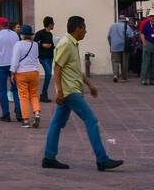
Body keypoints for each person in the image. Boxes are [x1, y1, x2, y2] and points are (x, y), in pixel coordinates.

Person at [42, 16, 123, 171]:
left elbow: (74, 69)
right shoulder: (66, 44)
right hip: (70, 92)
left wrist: (89, 84)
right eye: (84, 28)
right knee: (91, 120)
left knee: (56, 124)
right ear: (77, 28)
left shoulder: (72, 44)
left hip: (71, 90)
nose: (86, 31)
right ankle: (102, 159)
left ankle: (49, 157)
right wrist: (59, 91)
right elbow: (57, 68)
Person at [9, 25, 42, 128]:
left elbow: (15, 60)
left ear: (22, 35)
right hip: (34, 72)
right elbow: (36, 57)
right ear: (31, 35)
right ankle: (36, 113)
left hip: (21, 73)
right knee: (34, 94)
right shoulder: (35, 45)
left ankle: (26, 120)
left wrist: (12, 72)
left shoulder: (18, 45)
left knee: (23, 96)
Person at [0, 16, 20, 122]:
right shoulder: (14, 34)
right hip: (13, 65)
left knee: (2, 89)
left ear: (1, 25)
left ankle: (6, 114)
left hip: (1, 64)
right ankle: (19, 112)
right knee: (16, 89)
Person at [35, 17, 56, 102]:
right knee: (48, 74)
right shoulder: (40, 33)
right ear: (49, 24)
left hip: (50, 57)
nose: (54, 25)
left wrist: (53, 46)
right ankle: (43, 94)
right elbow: (34, 43)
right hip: (43, 57)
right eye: (53, 24)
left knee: (49, 75)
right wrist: (42, 45)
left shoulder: (50, 34)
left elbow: (51, 44)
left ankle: (44, 95)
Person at [139, 15, 154, 85]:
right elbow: (142, 33)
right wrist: (144, 43)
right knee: (146, 62)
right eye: (151, 17)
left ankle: (152, 80)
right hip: (148, 42)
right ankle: (143, 79)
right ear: (149, 18)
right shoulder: (146, 24)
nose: (153, 18)